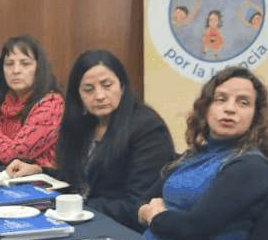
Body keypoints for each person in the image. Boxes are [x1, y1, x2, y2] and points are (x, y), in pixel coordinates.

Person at [137, 67, 268, 240]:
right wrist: (148, 211)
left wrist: (153, 215)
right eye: (220, 99)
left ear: (255, 116)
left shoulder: (251, 167)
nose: (230, 109)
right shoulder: (194, 155)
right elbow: (141, 200)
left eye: (243, 103)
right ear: (205, 108)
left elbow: (193, 227)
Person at [51, 50, 175, 227]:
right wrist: (39, 171)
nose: (99, 96)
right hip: (81, 217)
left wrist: (79, 206)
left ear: (122, 86)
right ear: (77, 95)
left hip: (120, 227)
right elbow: (77, 179)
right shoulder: (85, 124)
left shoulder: (148, 128)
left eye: (107, 85)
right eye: (88, 89)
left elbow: (139, 202)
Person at [0, 35, 64, 176]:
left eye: (25, 64)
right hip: (4, 174)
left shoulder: (52, 103)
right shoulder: (2, 98)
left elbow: (14, 153)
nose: (16, 70)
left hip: (45, 180)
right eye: (9, 64)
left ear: (39, 68)